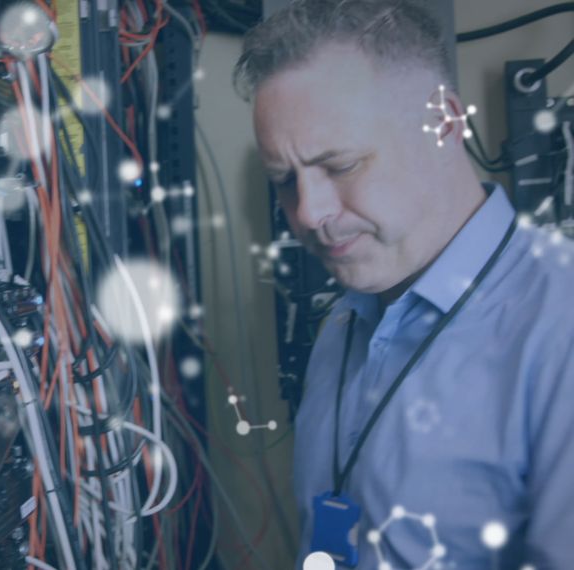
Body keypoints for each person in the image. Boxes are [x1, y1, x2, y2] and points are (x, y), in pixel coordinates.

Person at [233, 0, 574, 567]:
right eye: (284, 180)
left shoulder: (559, 329)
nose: (310, 212)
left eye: (340, 165)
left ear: (444, 120)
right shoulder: (345, 322)